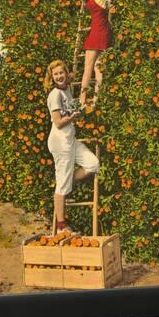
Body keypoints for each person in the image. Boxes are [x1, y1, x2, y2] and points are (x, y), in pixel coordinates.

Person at [44, 59, 100, 234]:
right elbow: (59, 122)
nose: (59, 76)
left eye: (62, 73)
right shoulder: (54, 95)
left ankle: (67, 182)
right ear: (51, 78)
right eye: (56, 74)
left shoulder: (66, 88)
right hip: (60, 142)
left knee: (93, 164)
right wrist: (74, 116)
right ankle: (61, 227)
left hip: (71, 140)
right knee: (61, 185)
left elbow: (73, 81)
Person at [80, 0, 113, 107]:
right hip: (99, 29)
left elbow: (108, 5)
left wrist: (107, 3)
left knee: (89, 66)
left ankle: (82, 100)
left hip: (99, 30)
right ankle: (95, 100)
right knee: (97, 67)